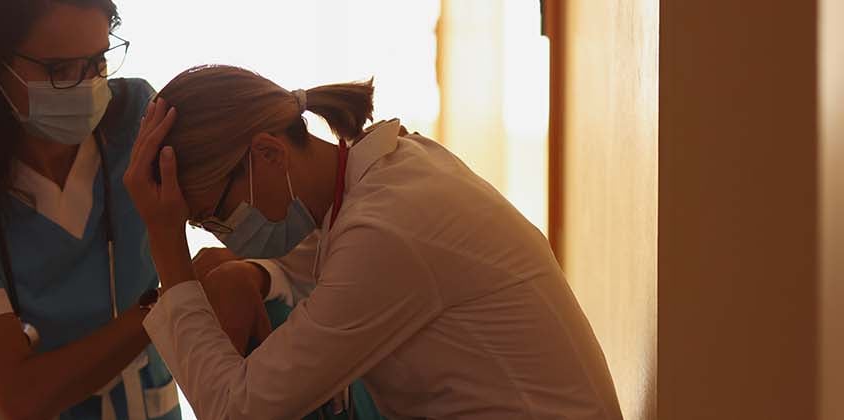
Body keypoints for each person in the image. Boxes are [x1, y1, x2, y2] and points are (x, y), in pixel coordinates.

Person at [122, 65, 625, 419]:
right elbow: (317, 261)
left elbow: (239, 408)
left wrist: (165, 244)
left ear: (269, 154)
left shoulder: (387, 228)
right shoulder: (384, 175)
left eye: (215, 215)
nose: (221, 233)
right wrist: (247, 273)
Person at [0, 3, 270, 419]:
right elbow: (22, 396)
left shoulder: (139, 119)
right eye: (60, 70)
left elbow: (266, 220)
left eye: (97, 63)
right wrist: (168, 302)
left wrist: (250, 271)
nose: (86, 86)